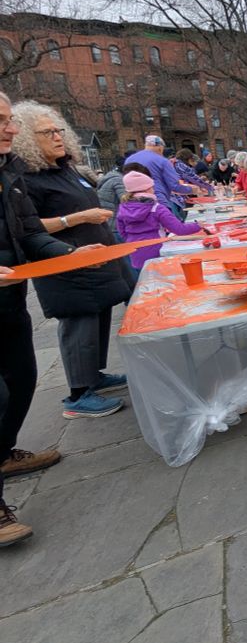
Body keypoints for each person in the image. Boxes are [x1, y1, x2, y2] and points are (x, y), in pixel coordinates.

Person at [0, 92, 93, 545]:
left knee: (22, 383)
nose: (11, 129)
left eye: (11, 121)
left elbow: (31, 234)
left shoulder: (9, 174)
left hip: (9, 301)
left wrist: (73, 254)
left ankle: (4, 453)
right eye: (2, 121)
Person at [11, 101, 132, 420]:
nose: (57, 136)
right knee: (79, 321)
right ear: (25, 138)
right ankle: (78, 395)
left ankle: (93, 376)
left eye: (58, 129)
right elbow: (28, 227)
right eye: (46, 132)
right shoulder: (26, 179)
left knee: (99, 316)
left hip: (95, 260)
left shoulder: (65, 170)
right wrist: (76, 218)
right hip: (66, 263)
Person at [116, 171, 204, 270]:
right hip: (156, 251)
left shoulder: (123, 208)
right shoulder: (156, 208)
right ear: (147, 189)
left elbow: (122, 232)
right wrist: (197, 225)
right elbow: (179, 229)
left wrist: (132, 240)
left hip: (135, 251)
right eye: (152, 187)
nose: (154, 190)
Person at [126, 135, 197, 220]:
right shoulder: (162, 161)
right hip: (158, 202)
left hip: (134, 205)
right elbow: (174, 186)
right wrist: (193, 190)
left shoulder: (129, 160)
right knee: (168, 229)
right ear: (160, 147)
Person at [97, 156, 127, 236]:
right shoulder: (119, 180)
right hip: (115, 225)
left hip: (108, 222)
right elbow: (125, 201)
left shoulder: (110, 177)